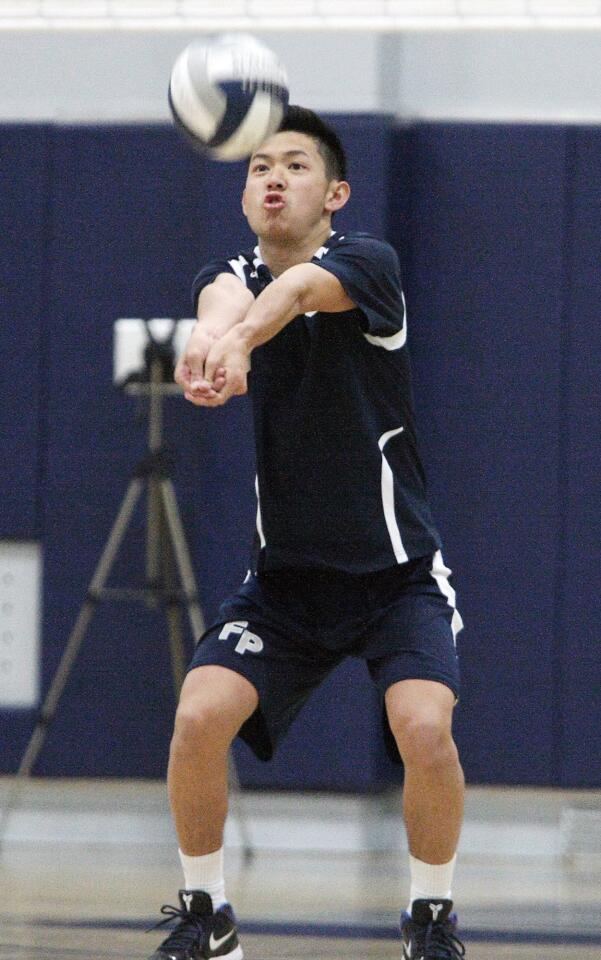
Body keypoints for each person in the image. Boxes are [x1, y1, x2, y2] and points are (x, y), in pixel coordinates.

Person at [148, 106, 466, 960]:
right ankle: (205, 913)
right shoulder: (231, 272)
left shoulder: (367, 266)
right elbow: (223, 302)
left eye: (292, 164)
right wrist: (208, 346)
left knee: (424, 730)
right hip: (287, 582)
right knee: (197, 718)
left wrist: (243, 340)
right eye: (257, 167)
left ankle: (429, 918)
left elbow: (287, 297)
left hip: (394, 576)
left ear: (334, 193)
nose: (272, 178)